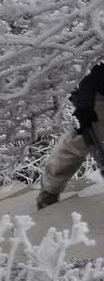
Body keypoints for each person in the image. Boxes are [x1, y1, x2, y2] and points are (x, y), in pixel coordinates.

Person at [37, 63, 104, 209]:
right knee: (79, 140)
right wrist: (85, 106)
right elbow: (91, 67)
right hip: (95, 92)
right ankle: (50, 188)